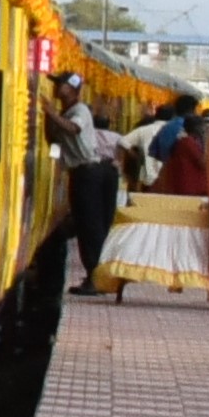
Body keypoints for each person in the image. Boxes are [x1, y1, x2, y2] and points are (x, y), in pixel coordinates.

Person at [59, 89, 125, 295]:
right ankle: (101, 276)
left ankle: (95, 279)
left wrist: (50, 112)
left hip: (88, 174)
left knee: (89, 225)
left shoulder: (78, 113)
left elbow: (73, 128)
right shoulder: (113, 134)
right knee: (101, 225)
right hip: (105, 172)